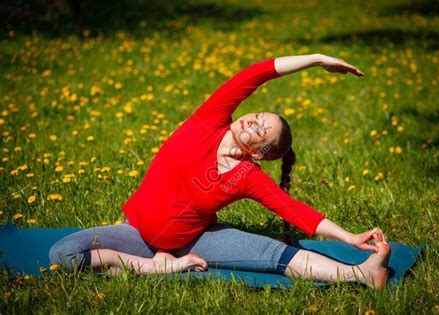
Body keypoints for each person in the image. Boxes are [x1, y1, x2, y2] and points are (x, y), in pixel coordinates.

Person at [49, 53, 391, 289]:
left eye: (260, 131)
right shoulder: (210, 121)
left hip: (194, 242)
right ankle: (156, 267)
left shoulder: (247, 175)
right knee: (63, 254)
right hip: (136, 234)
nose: (252, 121)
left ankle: (360, 274)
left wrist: (349, 237)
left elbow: (297, 213)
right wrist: (317, 60)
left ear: (258, 153)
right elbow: (255, 74)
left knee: (272, 253)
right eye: (259, 117)